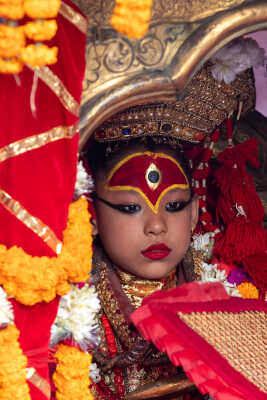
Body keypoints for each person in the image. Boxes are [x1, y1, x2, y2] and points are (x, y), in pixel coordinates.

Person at [83, 48, 266, 399]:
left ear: (195, 213)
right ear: (91, 214)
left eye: (175, 205)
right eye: (130, 208)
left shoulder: (231, 290)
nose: (157, 225)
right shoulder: (68, 314)